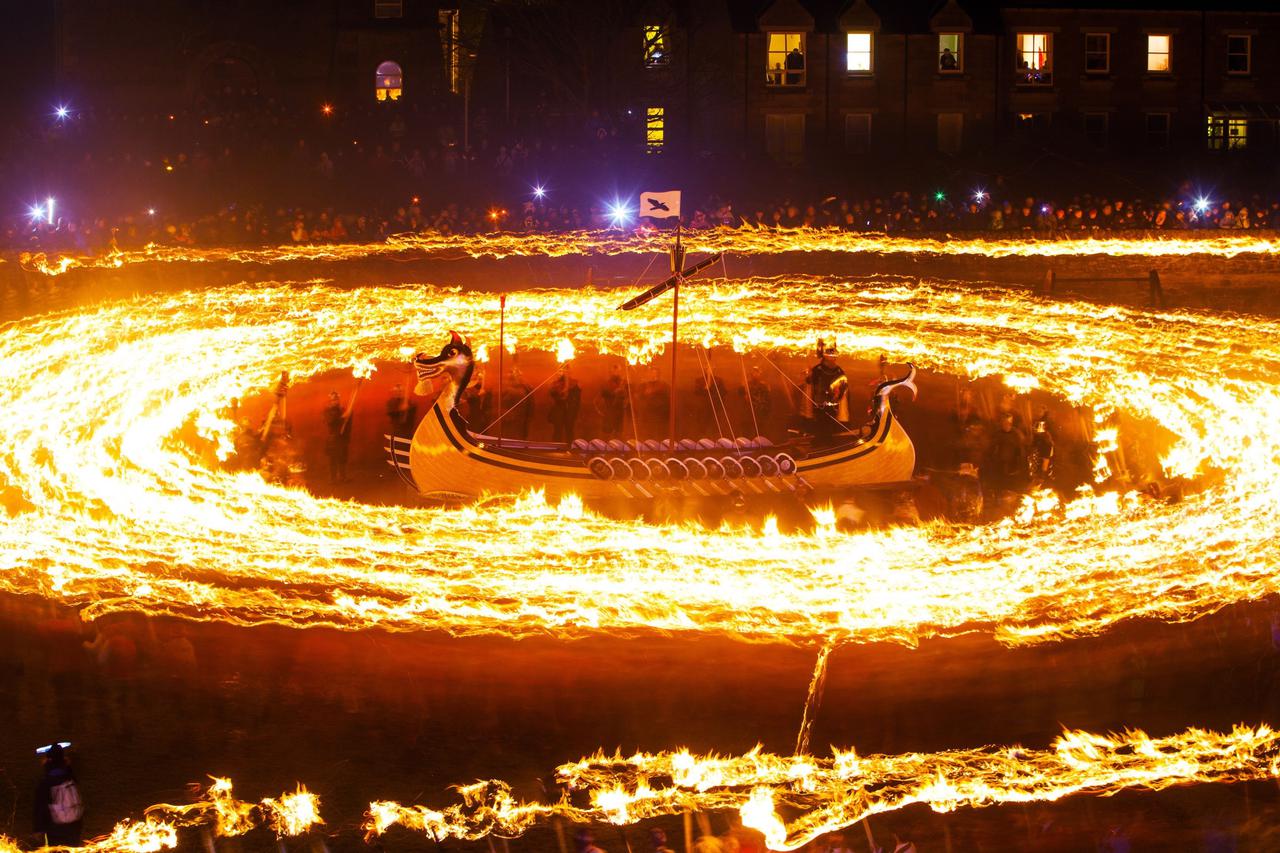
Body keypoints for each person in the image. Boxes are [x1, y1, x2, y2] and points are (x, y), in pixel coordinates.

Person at [33, 743, 83, 847]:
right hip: (75, 827)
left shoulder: (46, 783)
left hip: (56, 830)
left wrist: (38, 829)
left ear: (49, 760)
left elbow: (40, 807)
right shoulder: (70, 777)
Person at [803, 340, 848, 443]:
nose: (833, 358)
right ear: (826, 356)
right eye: (831, 356)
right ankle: (819, 441)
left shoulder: (839, 371)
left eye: (834, 356)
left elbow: (842, 386)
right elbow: (810, 382)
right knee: (819, 423)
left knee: (830, 424)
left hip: (833, 405)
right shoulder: (817, 370)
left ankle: (828, 441)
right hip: (818, 403)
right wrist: (808, 376)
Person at [548, 368, 582, 443]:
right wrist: (563, 389)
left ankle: (569, 447)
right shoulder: (554, 383)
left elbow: (577, 397)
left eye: (563, 371)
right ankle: (556, 448)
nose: (561, 373)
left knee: (569, 429)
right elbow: (556, 394)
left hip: (570, 410)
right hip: (558, 409)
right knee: (558, 430)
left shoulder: (576, 383)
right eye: (559, 371)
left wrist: (567, 382)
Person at [323, 390, 351, 483]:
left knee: (342, 458)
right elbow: (331, 422)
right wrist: (343, 417)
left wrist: (349, 414)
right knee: (333, 459)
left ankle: (343, 477)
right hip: (333, 438)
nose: (336, 401)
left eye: (337, 399)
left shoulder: (342, 409)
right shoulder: (327, 410)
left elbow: (347, 423)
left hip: (342, 438)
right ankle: (333, 478)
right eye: (333, 400)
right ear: (330, 401)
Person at [596, 365, 628, 439]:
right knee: (607, 431)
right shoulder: (607, 382)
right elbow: (602, 394)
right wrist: (614, 392)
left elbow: (627, 396)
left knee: (618, 431)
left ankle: (617, 447)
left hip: (619, 411)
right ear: (611, 371)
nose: (616, 372)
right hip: (609, 410)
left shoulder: (623, 382)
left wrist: (624, 402)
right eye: (614, 370)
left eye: (618, 370)